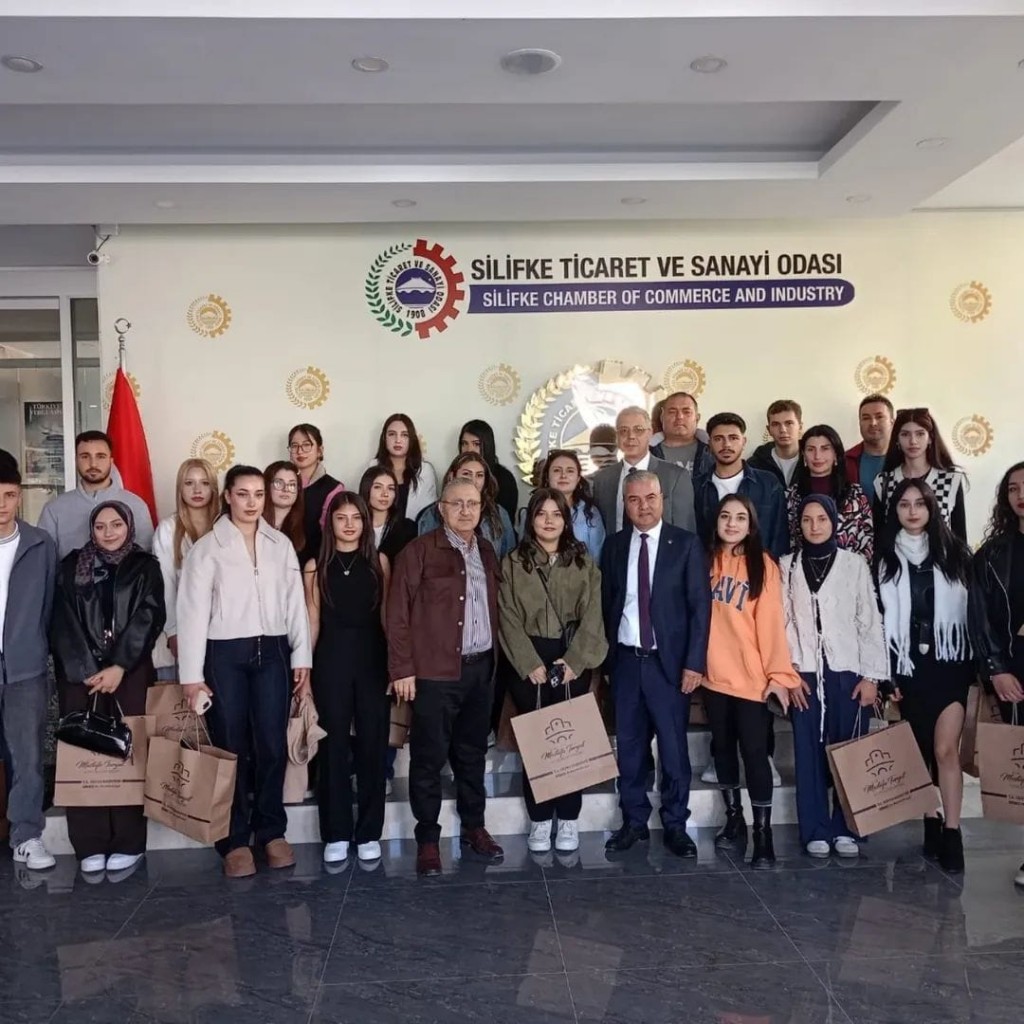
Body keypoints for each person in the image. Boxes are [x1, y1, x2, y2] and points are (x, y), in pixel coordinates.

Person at [177, 465, 312, 878]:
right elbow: (191, 612)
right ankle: (233, 840)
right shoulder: (208, 547)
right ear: (228, 497)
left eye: (258, 494)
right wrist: (191, 676)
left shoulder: (279, 544)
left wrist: (301, 657)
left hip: (272, 652)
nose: (252, 502)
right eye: (243, 494)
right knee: (230, 745)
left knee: (271, 743)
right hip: (224, 655)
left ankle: (271, 832)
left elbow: (295, 603)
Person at [387, 478, 505, 876]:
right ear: (442, 508)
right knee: (428, 758)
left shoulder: (486, 551)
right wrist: (402, 668)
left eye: (473, 504)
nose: (466, 511)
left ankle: (474, 827)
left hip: (480, 670)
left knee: (472, 755)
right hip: (435, 673)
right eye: (458, 503)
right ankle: (427, 840)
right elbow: (396, 614)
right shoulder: (419, 551)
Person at [50, 501, 165, 875]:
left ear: (128, 527)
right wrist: (86, 668)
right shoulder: (71, 566)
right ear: (91, 530)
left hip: (129, 671)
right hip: (80, 675)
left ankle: (129, 843)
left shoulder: (144, 566)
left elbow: (149, 616)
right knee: (84, 752)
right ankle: (89, 843)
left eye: (116, 524)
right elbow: (60, 620)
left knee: (128, 751)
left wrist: (119, 665)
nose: (109, 532)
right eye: (100, 526)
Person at [601, 471, 711, 858]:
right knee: (630, 748)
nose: (643, 506)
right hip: (627, 663)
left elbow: (700, 609)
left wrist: (694, 663)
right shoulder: (614, 546)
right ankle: (633, 821)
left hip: (670, 666)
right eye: (634, 500)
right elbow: (608, 603)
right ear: (625, 504)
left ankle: (676, 823)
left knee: (673, 749)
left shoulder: (686, 545)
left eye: (650, 498)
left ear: (662, 499)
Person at [498, 488, 608, 854]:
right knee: (538, 743)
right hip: (529, 659)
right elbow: (507, 615)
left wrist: (575, 661)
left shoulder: (582, 560)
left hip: (571, 656)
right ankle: (540, 818)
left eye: (556, 514)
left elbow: (593, 614)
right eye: (541, 513)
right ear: (531, 519)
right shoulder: (514, 562)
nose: (549, 520)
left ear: (566, 520)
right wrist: (527, 661)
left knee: (571, 742)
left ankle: (569, 819)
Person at [782, 494, 889, 858]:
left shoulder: (853, 564)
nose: (814, 526)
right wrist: (790, 672)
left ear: (834, 522)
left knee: (850, 750)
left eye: (822, 519)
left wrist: (872, 677)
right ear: (799, 525)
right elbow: (782, 622)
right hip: (805, 674)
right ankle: (814, 828)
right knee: (807, 751)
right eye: (807, 520)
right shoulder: (787, 565)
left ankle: (848, 827)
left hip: (849, 671)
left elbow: (869, 619)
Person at [876, 478, 973, 873]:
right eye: (904, 504)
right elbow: (879, 621)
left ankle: (953, 831)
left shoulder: (956, 553)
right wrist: (886, 676)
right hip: (907, 666)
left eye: (920, 503)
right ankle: (930, 819)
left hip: (950, 661)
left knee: (945, 750)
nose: (913, 511)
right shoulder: (884, 558)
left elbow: (974, 610)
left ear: (932, 508)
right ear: (895, 511)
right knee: (918, 753)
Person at [703, 495, 804, 868]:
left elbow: (772, 625)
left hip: (752, 682)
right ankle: (734, 820)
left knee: (756, 756)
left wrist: (778, 676)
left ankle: (763, 834)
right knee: (722, 751)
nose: (732, 523)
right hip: (713, 678)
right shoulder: (704, 561)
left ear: (751, 525)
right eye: (725, 516)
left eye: (740, 517)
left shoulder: (763, 565)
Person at [305, 491, 390, 865]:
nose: (350, 524)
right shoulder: (315, 566)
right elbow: (312, 622)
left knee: (372, 746)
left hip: (373, 661)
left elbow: (387, 619)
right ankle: (336, 832)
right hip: (330, 661)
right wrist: (304, 671)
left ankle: (369, 832)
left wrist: (397, 666)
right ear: (330, 523)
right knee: (333, 747)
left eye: (357, 517)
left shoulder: (379, 562)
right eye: (342, 518)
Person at [0, 452, 58, 871]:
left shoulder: (40, 544)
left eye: (9, 495)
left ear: (19, 496)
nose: (1, 505)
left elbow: (49, 605)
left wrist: (36, 648)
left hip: (25, 667)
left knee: (27, 756)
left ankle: (26, 836)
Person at [968, 462, 1024, 887]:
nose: (1021, 496)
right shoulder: (993, 553)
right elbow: (980, 617)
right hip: (1015, 668)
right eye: (1013, 489)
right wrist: (996, 670)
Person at [39, 430, 154, 558]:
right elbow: (44, 559)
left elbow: (146, 558)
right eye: (85, 456)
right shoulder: (54, 509)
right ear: (76, 460)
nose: (93, 464)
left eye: (100, 456)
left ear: (111, 461)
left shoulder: (136, 505)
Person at [152, 458, 218, 680]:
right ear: (180, 488)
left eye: (205, 483)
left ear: (214, 488)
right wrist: (173, 630)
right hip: (184, 628)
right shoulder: (168, 529)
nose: (197, 490)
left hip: (223, 631)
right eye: (189, 483)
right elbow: (166, 583)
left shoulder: (226, 525)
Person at [695, 413, 789, 558]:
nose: (726, 445)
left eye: (733, 438)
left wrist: (771, 568)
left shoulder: (768, 483)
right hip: (710, 567)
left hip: (759, 567)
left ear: (744, 442)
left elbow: (779, 535)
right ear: (709, 444)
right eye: (718, 439)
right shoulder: (697, 486)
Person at [592, 406, 695, 533]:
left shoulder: (675, 477)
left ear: (650, 432)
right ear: (617, 436)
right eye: (623, 431)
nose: (631, 436)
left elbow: (685, 532)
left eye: (638, 430)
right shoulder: (602, 479)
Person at [873, 408, 968, 542]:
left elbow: (960, 537)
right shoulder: (884, 482)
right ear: (897, 439)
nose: (913, 441)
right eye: (905, 434)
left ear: (930, 438)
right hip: (896, 555)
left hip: (941, 555)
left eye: (920, 434)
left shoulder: (950, 480)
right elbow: (879, 536)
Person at [785, 425, 873, 562]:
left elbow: (867, 542)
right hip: (803, 571)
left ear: (836, 454)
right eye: (810, 449)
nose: (817, 456)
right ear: (803, 455)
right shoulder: (791, 496)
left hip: (849, 570)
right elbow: (788, 543)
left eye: (825, 449)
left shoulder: (855, 495)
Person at [417, 453, 517, 558]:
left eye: (479, 475)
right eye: (466, 474)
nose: (473, 481)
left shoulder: (499, 514)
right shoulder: (431, 515)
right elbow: (423, 557)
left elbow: (509, 560)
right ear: (452, 476)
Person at [288, 423, 341, 564]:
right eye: (294, 446)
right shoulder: (280, 483)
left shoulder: (333, 488)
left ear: (320, 450)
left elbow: (330, 536)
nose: (300, 451)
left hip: (316, 562)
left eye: (306, 445)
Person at [371, 413, 438, 522]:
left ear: (412, 439)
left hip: (415, 530)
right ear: (384, 438)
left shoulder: (425, 471)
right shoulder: (373, 467)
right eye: (392, 434)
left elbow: (429, 513)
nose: (398, 440)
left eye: (404, 435)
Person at [542, 449, 606, 562]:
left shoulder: (591, 513)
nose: (563, 475)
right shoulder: (532, 511)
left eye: (570, 471)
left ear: (578, 478)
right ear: (547, 477)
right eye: (557, 470)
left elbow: (597, 559)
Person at [458, 419, 519, 523]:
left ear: (487, 446)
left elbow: (506, 524)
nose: (469, 450)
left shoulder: (504, 479)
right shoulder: (455, 474)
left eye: (476, 444)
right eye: (464, 443)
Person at [649, 391, 715, 484]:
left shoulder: (713, 451)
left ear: (697, 418)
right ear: (662, 417)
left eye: (686, 412)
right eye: (672, 412)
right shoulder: (647, 453)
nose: (679, 417)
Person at [359, 466, 417, 566]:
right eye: (378, 487)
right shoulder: (355, 526)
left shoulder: (407, 528)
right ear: (366, 489)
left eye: (390, 488)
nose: (385, 494)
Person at [845, 394, 895, 497]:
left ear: (892, 422)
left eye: (879, 417)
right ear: (860, 423)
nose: (873, 423)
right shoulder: (846, 461)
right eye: (866, 418)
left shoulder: (906, 457)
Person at [748, 400, 803, 489]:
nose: (783, 430)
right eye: (776, 424)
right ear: (768, 429)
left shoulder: (814, 460)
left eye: (789, 423)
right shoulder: (754, 466)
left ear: (800, 427)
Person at [262, 460, 306, 562]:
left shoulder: (307, 527)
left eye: (292, 485)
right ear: (266, 486)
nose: (286, 489)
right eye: (279, 483)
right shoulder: (254, 522)